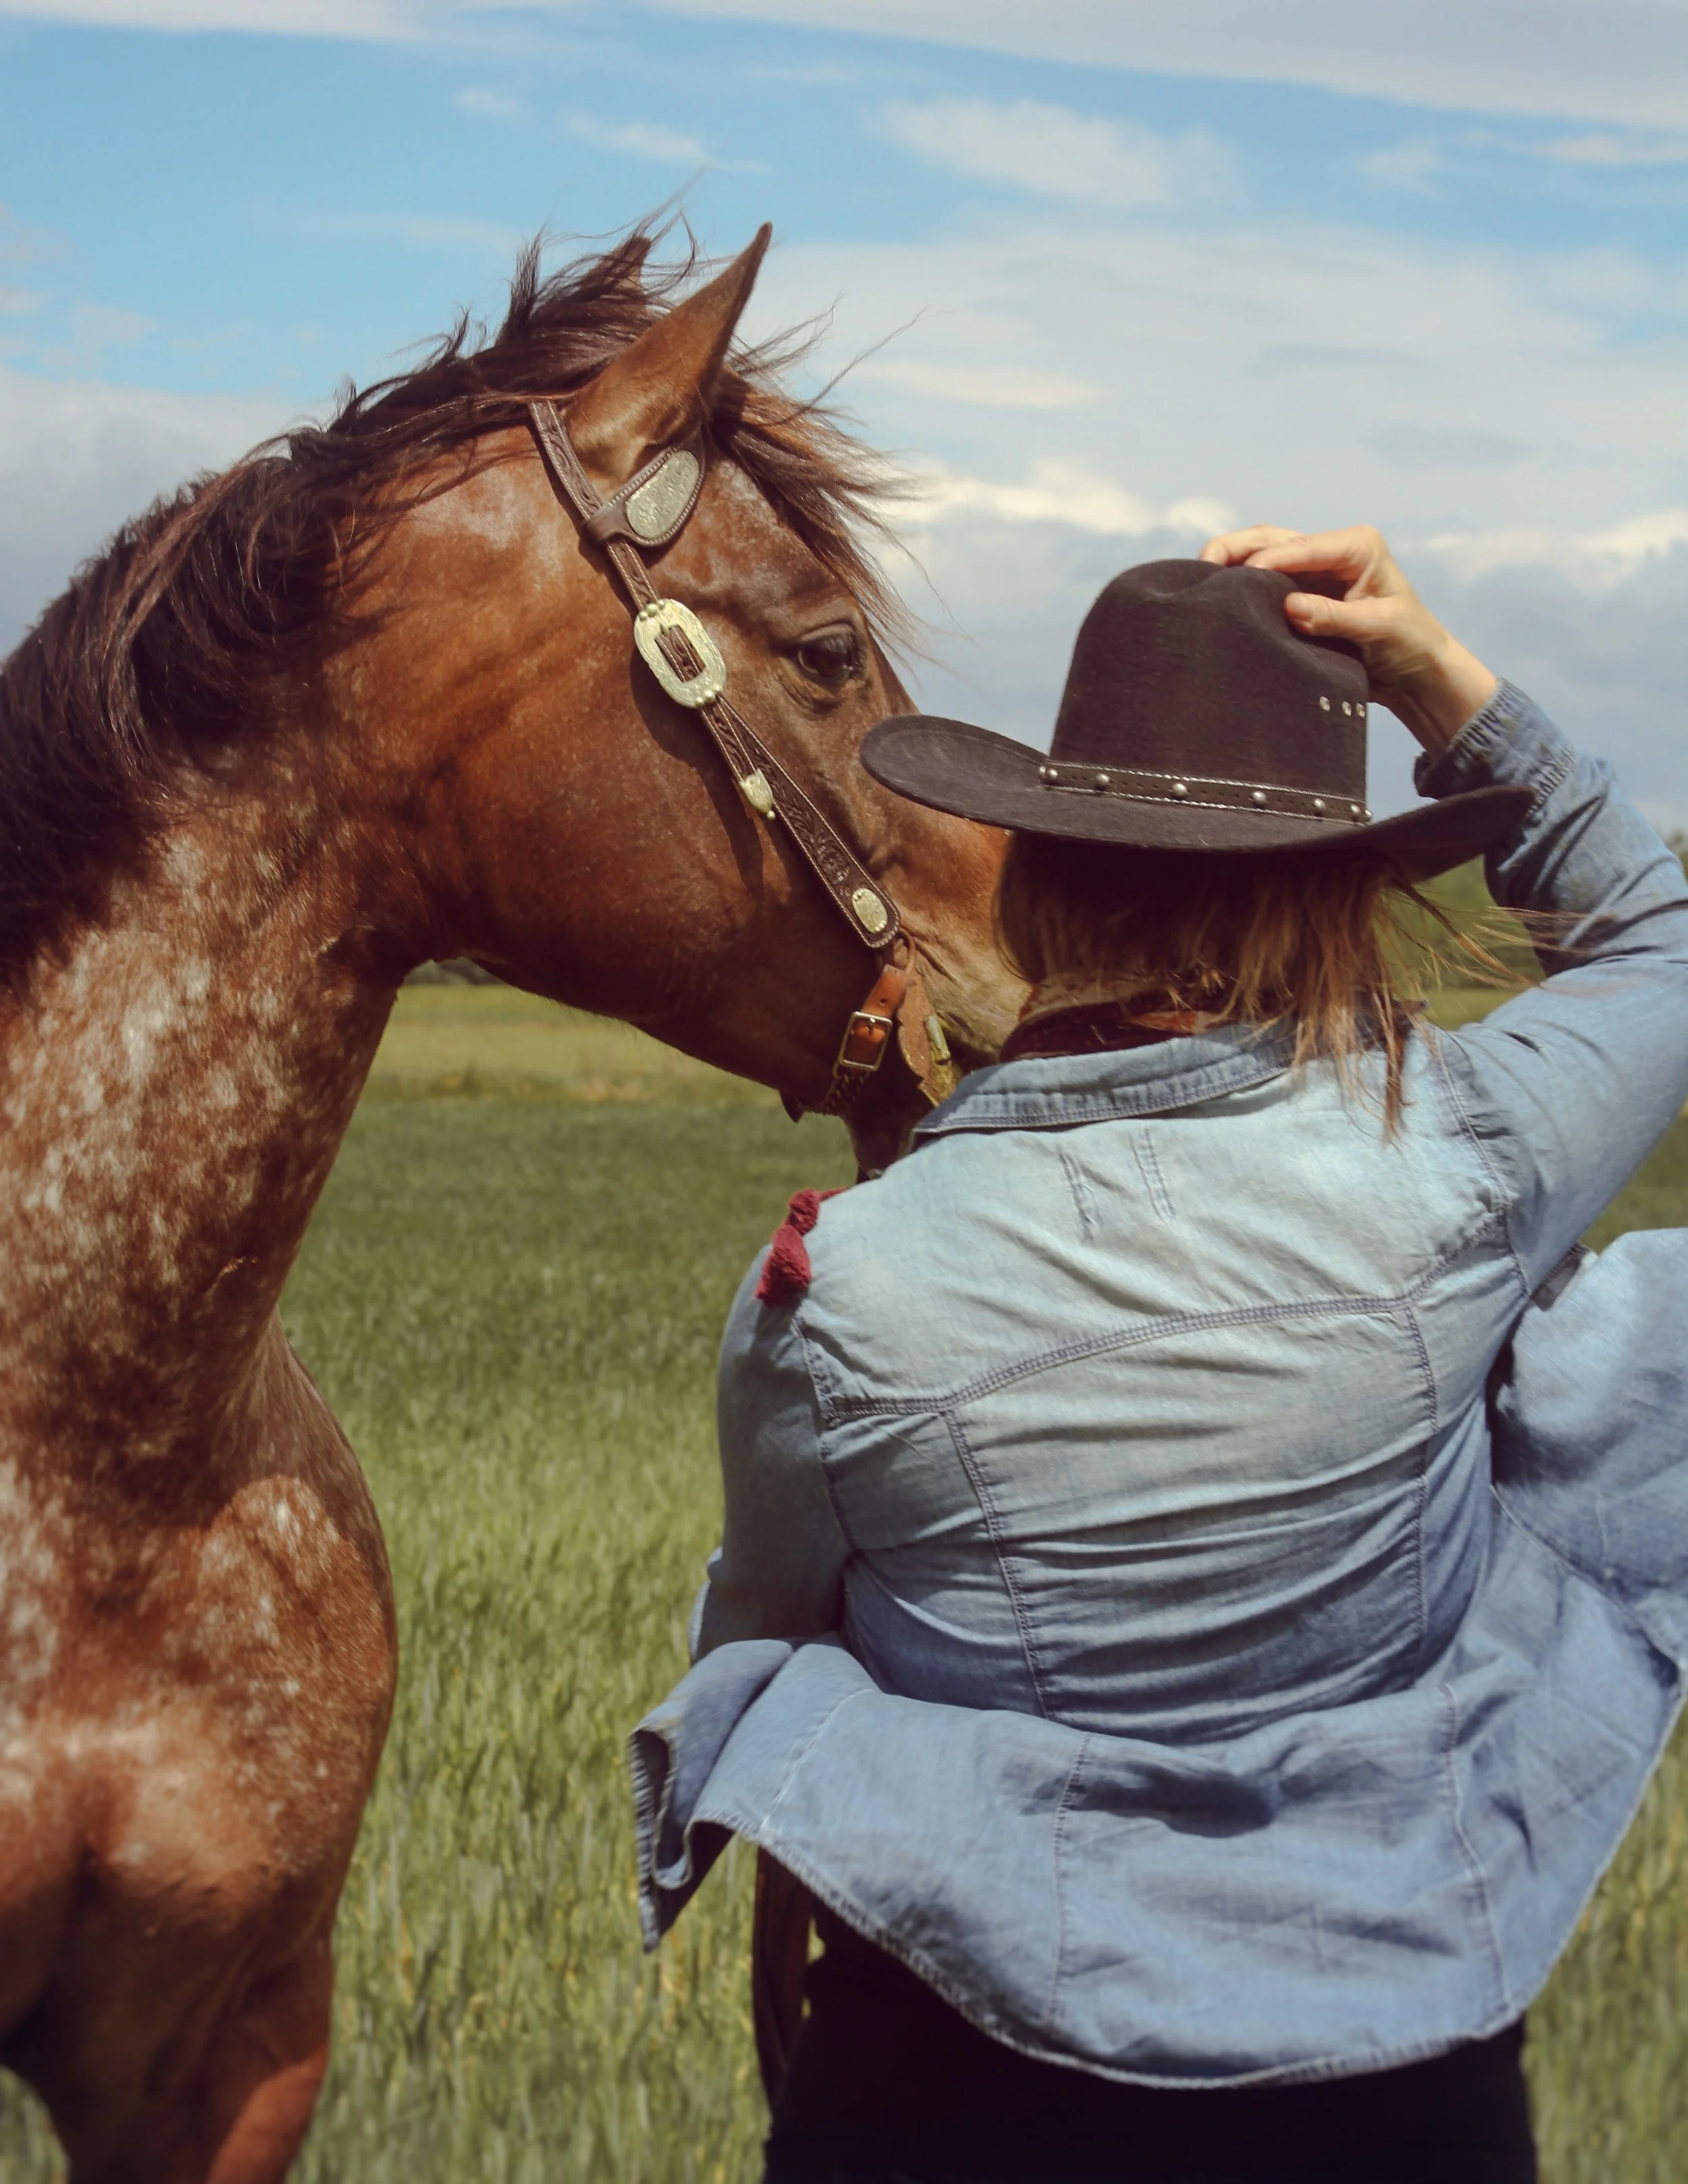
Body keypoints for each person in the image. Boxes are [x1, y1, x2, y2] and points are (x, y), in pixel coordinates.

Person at [628, 526, 1688, 2183]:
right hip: (1392, 2080)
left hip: (940, 2088)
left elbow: (770, 1628)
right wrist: (1431, 673)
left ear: (1042, 871)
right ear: (1342, 890)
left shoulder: (831, 1293)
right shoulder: (1465, 1156)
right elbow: (1658, 939)